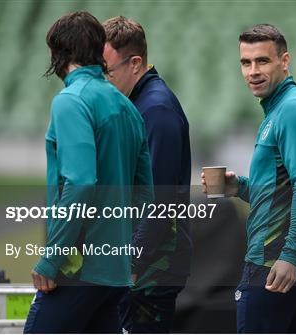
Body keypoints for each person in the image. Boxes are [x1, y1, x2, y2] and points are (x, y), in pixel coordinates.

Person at [24, 11, 153, 333]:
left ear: (59, 54)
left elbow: (80, 183)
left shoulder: (70, 100)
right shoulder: (128, 108)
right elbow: (147, 196)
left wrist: (52, 259)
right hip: (115, 272)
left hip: (76, 270)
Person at [201, 23, 296, 333]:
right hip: (287, 263)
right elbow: (280, 189)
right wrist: (239, 187)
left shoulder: (292, 112)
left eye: (263, 61)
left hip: (275, 264)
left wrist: (289, 256)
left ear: (285, 61)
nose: (253, 71)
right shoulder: (278, 110)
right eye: (246, 62)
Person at [102, 16, 192, 333]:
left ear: (135, 63)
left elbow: (160, 200)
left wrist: (132, 262)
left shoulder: (156, 110)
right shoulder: (136, 104)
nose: (101, 80)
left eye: (106, 71)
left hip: (152, 267)